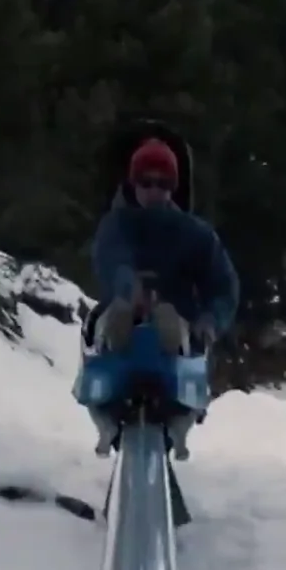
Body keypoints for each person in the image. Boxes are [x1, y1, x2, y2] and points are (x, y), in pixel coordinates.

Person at [86, 136, 239, 458]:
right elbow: (108, 259)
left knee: (170, 326)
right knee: (116, 323)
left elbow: (223, 285)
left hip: (176, 320)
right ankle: (107, 411)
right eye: (146, 182)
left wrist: (211, 320)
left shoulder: (195, 234)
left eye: (163, 184)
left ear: (173, 188)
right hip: (122, 309)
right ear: (133, 184)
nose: (154, 191)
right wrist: (128, 287)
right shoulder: (117, 224)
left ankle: (179, 413)